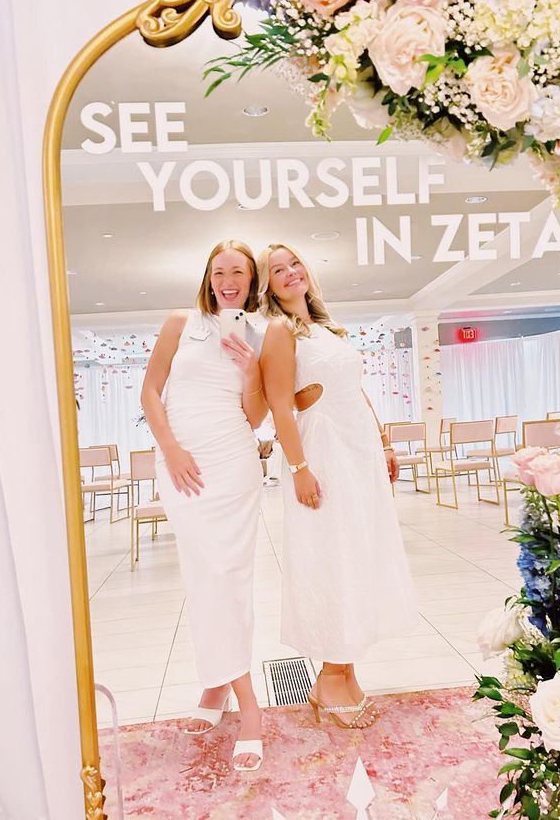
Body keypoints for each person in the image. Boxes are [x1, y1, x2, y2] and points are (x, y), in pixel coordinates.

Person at [258, 243, 418, 728]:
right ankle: (328, 677)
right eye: (276, 270)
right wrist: (299, 467)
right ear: (266, 284)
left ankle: (344, 670)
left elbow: (356, 391)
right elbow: (280, 405)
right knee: (332, 557)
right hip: (323, 454)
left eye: (294, 263)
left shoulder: (325, 328)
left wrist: (384, 441)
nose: (289, 273)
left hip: (358, 453)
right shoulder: (280, 332)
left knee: (358, 555)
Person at [141, 240, 267, 771]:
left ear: (252, 278)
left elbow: (256, 416)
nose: (228, 280)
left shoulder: (259, 334)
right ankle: (230, 693)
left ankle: (234, 698)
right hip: (181, 466)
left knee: (226, 575)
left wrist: (252, 369)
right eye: (219, 272)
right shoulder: (181, 322)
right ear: (209, 277)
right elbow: (150, 390)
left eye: (238, 271)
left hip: (234, 463)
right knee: (204, 574)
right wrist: (170, 448)